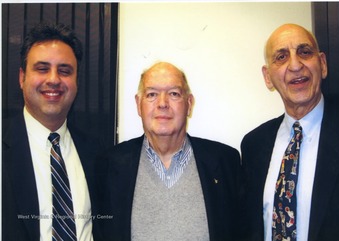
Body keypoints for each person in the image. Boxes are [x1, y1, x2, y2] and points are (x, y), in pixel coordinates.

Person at [95, 61, 245, 241]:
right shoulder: (109, 166)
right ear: (138, 104)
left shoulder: (226, 162)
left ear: (189, 104)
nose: (162, 103)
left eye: (174, 94)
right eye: (151, 94)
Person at [241, 23, 339, 241]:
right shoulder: (253, 145)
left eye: (304, 52)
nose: (295, 65)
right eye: (281, 57)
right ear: (268, 77)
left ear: (322, 64)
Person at [2, 22, 101, 241]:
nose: (54, 79)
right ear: (22, 77)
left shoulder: (97, 154)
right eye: (42, 68)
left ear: (76, 81)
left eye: (64, 71)